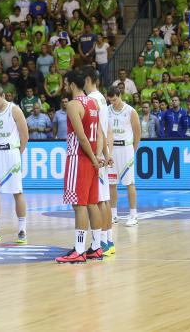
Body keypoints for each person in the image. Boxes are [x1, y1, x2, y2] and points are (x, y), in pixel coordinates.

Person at [56, 69, 103, 264]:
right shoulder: (93, 103)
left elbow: (81, 137)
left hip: (79, 158)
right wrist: (98, 156)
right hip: (92, 159)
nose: (65, 87)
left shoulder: (73, 105)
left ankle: (79, 249)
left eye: (66, 84)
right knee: (92, 203)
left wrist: (92, 158)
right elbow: (100, 133)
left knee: (79, 205)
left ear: (72, 85)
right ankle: (97, 247)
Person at [0, 83, 29, 244]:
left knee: (17, 192)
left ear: (4, 96)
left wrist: (16, 152)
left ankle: (22, 230)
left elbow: (25, 136)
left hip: (11, 154)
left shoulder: (14, 110)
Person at [82, 66, 114, 254]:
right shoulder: (102, 98)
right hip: (102, 152)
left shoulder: (91, 100)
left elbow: (100, 131)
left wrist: (100, 155)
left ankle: (102, 243)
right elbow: (107, 129)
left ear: (87, 80)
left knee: (99, 200)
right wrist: (107, 152)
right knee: (105, 199)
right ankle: (108, 241)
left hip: (96, 153)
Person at [107, 86, 141, 229]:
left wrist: (132, 150)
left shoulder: (130, 111)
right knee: (112, 183)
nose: (113, 102)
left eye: (115, 99)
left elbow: (137, 133)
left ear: (120, 95)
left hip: (126, 148)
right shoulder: (107, 110)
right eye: (110, 100)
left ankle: (133, 215)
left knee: (129, 183)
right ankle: (114, 214)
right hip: (112, 149)